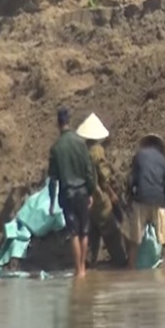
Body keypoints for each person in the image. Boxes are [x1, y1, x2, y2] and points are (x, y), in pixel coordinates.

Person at [48, 107, 96, 278]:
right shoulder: (80, 143)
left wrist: (52, 203)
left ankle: (78, 270)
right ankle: (83, 266)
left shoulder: (56, 148)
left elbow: (53, 180)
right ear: (69, 121)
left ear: (58, 123)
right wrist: (90, 192)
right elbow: (89, 171)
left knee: (73, 233)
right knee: (84, 231)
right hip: (83, 192)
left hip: (67, 195)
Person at [75, 112, 127, 268]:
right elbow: (104, 176)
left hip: (85, 197)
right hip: (98, 196)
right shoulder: (97, 150)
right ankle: (120, 261)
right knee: (110, 231)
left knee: (92, 232)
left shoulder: (81, 150)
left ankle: (87, 263)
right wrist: (111, 193)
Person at [125, 133, 165, 270]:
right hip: (158, 202)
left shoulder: (139, 156)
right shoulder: (163, 161)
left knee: (135, 242)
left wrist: (130, 197)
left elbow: (132, 181)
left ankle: (130, 272)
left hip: (141, 200)